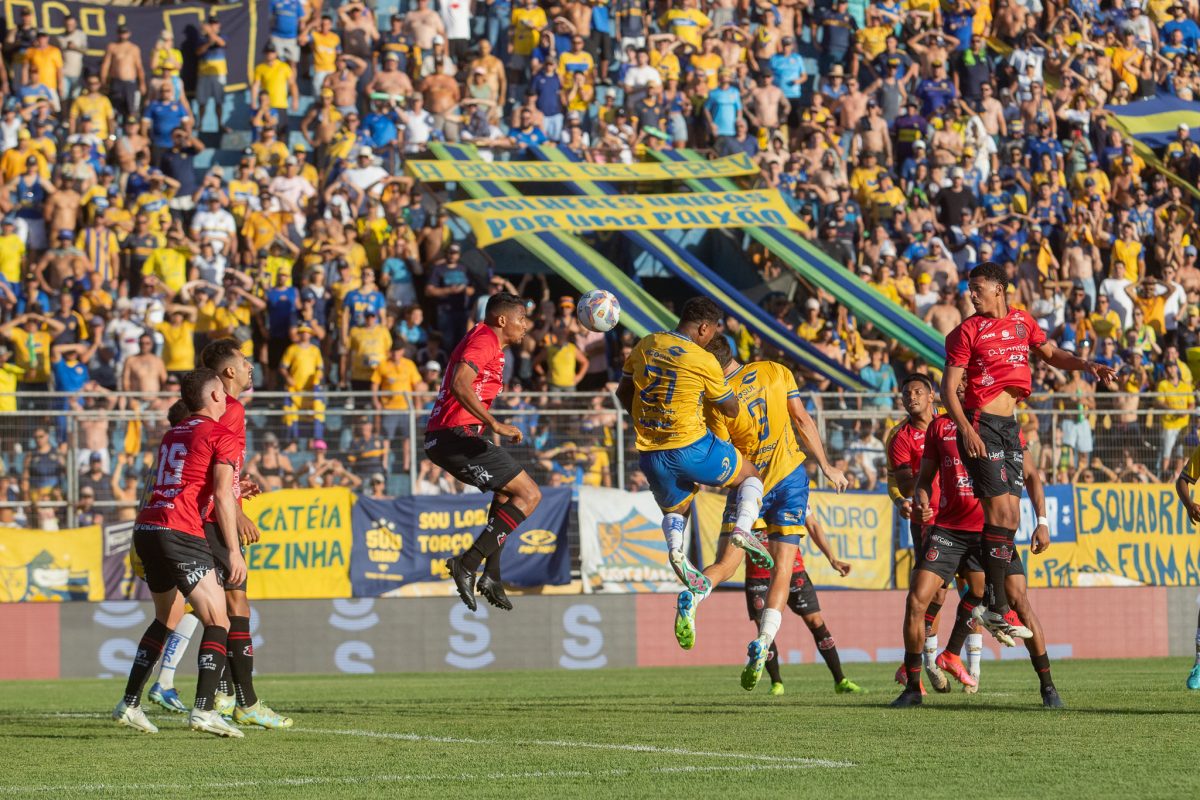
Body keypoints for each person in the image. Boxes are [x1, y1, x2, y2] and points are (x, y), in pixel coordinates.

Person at [942, 261, 1114, 643]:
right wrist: (967, 430)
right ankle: (996, 604)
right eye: (970, 288)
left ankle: (990, 603)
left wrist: (1086, 364)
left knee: (1012, 518)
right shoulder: (965, 332)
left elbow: (1051, 354)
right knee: (1001, 513)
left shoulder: (1022, 322)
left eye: (978, 288)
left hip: (1010, 427)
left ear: (999, 289)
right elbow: (947, 387)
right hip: (980, 423)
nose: (971, 294)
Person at [701, 335, 851, 691]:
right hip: (788, 477)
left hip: (749, 485)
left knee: (725, 564)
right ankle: (766, 640)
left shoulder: (717, 400)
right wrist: (827, 466)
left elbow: (723, 456)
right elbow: (802, 420)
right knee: (784, 567)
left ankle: (694, 594)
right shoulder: (776, 370)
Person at [894, 397, 1061, 709]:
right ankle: (913, 688)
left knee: (1019, 602)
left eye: (964, 381)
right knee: (917, 600)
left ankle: (1049, 688)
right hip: (950, 531)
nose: (958, 388)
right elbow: (923, 480)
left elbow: (1033, 476)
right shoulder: (939, 427)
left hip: (992, 530)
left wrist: (1042, 522)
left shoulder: (1003, 425)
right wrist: (921, 499)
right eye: (954, 383)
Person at [112, 368, 245, 738]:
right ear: (217, 396)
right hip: (179, 531)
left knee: (166, 618)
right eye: (224, 393)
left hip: (148, 528)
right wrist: (233, 552)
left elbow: (189, 478)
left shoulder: (175, 432)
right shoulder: (222, 433)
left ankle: (130, 703)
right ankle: (204, 711)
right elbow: (220, 496)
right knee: (218, 618)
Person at [615, 296, 764, 597]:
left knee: (678, 508)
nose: (712, 338)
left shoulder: (646, 344)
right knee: (750, 476)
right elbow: (731, 409)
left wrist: (648, 419)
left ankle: (675, 551)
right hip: (692, 446)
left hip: (651, 453)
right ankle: (742, 530)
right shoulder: (703, 359)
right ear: (704, 328)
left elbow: (622, 393)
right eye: (713, 332)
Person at [426, 292, 542, 611]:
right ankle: (466, 563)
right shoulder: (486, 339)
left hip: (450, 435)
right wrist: (494, 423)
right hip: (454, 434)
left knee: (506, 495)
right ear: (502, 320)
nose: (525, 325)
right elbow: (460, 384)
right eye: (521, 319)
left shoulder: (491, 343)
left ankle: (491, 574)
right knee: (530, 495)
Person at [199, 338, 292, 727]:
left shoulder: (212, 409)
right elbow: (216, 479)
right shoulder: (231, 409)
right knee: (236, 607)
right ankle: (245, 702)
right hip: (212, 518)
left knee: (216, 610)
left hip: (199, 515)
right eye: (244, 360)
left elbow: (212, 466)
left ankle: (223, 694)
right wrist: (235, 511)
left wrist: (238, 487)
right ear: (229, 372)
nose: (251, 365)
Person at [743, 509, 863, 696]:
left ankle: (841, 680)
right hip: (759, 577)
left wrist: (832, 559)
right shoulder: (748, 492)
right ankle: (776, 683)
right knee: (764, 632)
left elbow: (813, 525)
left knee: (815, 621)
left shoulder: (793, 487)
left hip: (793, 571)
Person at [885, 372, 947, 690]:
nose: (912, 397)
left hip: (959, 518)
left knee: (948, 591)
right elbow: (905, 482)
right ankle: (922, 667)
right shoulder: (901, 438)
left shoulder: (951, 426)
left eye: (918, 391)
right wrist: (912, 498)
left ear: (932, 395)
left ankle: (940, 658)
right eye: (906, 393)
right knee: (925, 594)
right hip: (928, 521)